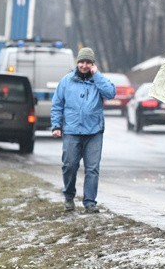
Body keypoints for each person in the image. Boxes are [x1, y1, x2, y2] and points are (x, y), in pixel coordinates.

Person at [51, 47, 116, 214]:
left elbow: (110, 93)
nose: (84, 65)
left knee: (92, 168)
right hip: (72, 131)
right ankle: (69, 196)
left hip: (94, 132)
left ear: (93, 64)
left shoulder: (98, 80)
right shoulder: (66, 81)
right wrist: (56, 126)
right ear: (77, 63)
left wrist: (97, 75)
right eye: (81, 62)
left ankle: (89, 202)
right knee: (69, 166)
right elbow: (57, 105)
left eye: (88, 62)